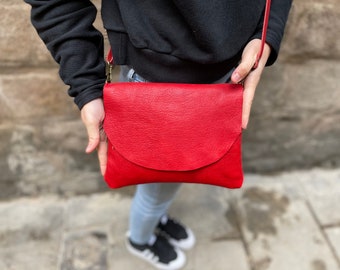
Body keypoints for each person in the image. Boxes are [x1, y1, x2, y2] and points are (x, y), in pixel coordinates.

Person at [24, 1, 292, 269]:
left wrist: (266, 34)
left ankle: (156, 218)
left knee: (163, 183)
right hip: (153, 76)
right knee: (158, 186)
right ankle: (140, 239)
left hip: (229, 73)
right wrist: (86, 86)